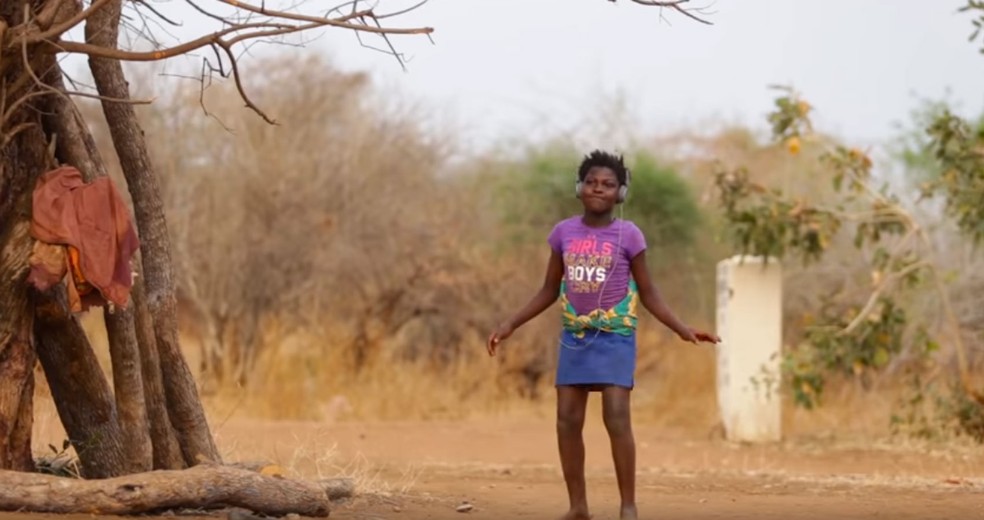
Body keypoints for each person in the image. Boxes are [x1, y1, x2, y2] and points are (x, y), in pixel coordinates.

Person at [486, 149, 720, 520]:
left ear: (620, 193)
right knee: (566, 419)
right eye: (592, 182)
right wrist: (510, 323)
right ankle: (578, 506)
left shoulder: (629, 235)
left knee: (616, 415)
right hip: (575, 337)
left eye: (608, 184)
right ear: (579, 188)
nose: (599, 189)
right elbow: (549, 289)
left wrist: (682, 328)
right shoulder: (563, 232)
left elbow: (649, 292)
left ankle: (628, 506)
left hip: (615, 336)